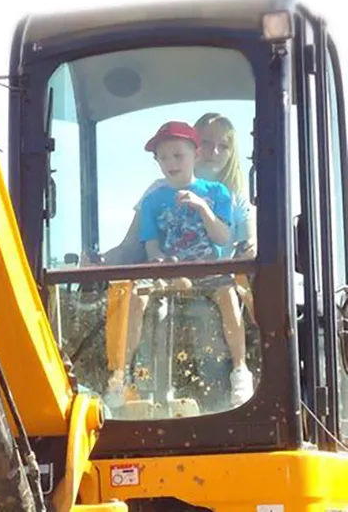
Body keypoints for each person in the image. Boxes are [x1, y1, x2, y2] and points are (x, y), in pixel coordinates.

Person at [103, 118, 254, 409]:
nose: (171, 163)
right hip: (168, 270)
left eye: (178, 156)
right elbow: (151, 245)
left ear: (195, 156)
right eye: (163, 158)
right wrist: (159, 260)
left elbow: (223, 238)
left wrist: (201, 207)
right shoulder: (153, 201)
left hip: (207, 270)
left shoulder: (217, 193)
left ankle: (240, 370)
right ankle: (120, 375)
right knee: (135, 296)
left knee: (228, 296)